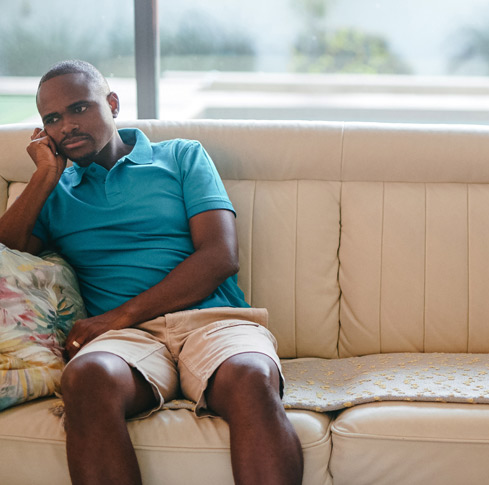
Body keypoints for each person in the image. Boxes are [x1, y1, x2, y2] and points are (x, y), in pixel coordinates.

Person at [0, 60, 303, 485]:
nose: (66, 125)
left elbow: (220, 256)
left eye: (79, 108)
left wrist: (115, 317)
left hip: (209, 321)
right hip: (126, 343)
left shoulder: (181, 156)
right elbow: (5, 256)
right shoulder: (53, 193)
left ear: (112, 103)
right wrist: (46, 175)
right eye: (52, 119)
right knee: (85, 378)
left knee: (252, 376)